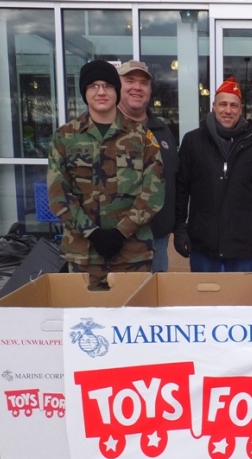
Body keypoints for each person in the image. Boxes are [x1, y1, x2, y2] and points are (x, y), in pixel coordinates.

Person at [47, 59, 165, 288]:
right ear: (85, 92)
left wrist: (121, 232)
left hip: (132, 255)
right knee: (85, 321)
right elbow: (58, 194)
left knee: (131, 319)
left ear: (116, 91)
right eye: (93, 86)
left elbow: (154, 192)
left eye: (108, 86)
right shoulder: (64, 137)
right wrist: (92, 233)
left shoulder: (142, 137)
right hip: (83, 256)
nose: (101, 92)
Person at [174, 76, 252, 272]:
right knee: (205, 299)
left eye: (234, 105)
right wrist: (180, 228)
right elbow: (181, 189)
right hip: (203, 242)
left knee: (240, 301)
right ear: (213, 106)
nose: (228, 110)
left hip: (243, 244)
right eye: (223, 104)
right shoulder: (192, 141)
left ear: (241, 109)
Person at [117, 59, 178, 272]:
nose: (137, 87)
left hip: (157, 241)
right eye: (130, 81)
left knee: (154, 300)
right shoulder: (106, 130)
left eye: (143, 83)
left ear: (150, 91)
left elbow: (173, 178)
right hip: (119, 243)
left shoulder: (162, 131)